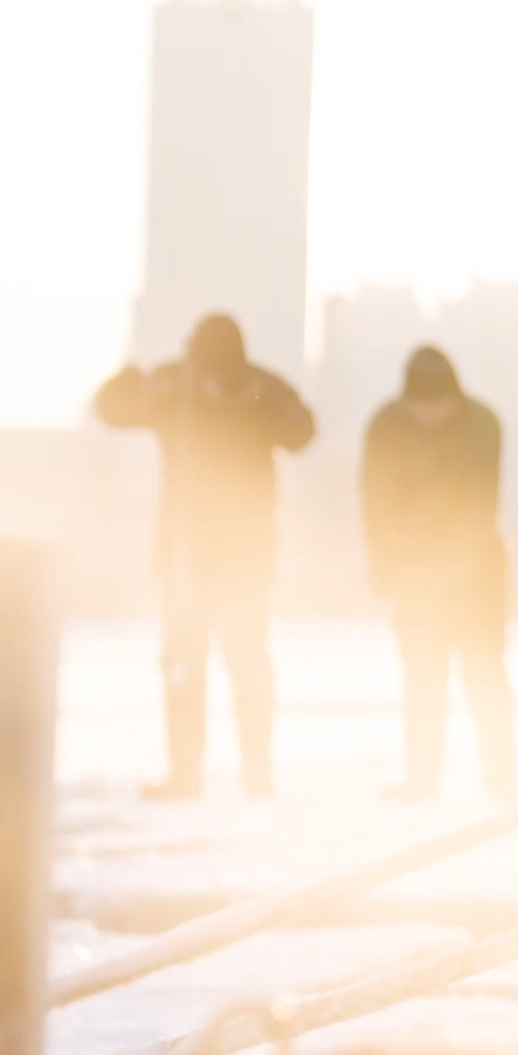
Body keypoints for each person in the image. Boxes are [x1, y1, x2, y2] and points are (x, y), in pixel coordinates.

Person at [93, 313, 316, 799]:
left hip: (232, 557)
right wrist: (125, 379)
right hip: (191, 556)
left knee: (239, 666)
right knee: (191, 667)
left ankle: (250, 775)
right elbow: (110, 409)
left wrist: (254, 401)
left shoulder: (245, 388)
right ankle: (194, 775)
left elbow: (301, 433)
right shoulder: (179, 386)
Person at [362, 347, 517, 802]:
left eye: (437, 405)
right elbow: (373, 498)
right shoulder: (385, 425)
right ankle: (422, 777)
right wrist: (382, 560)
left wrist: (453, 565)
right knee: (422, 674)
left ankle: (501, 777)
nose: (428, 415)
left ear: (455, 397)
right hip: (412, 573)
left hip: (477, 572)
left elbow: (477, 501)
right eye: (419, 406)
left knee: (484, 670)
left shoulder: (483, 424)